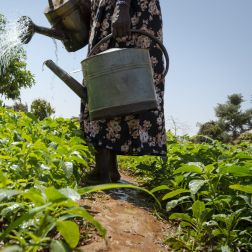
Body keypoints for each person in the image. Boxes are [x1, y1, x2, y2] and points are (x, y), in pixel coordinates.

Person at [80, 0, 166, 184]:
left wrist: (122, 5)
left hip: (128, 9)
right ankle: (108, 168)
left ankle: (102, 171)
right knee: (107, 81)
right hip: (108, 10)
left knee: (113, 81)